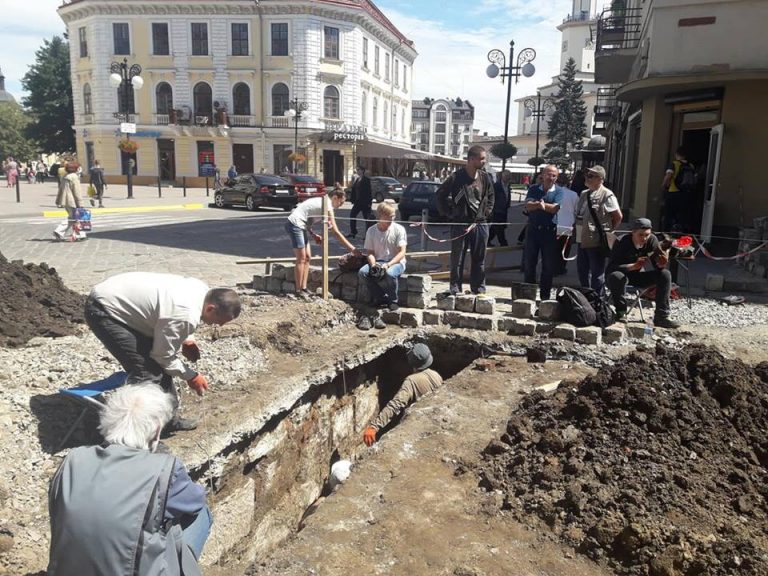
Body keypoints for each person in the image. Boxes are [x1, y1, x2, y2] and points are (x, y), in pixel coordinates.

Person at [48, 383, 211, 576]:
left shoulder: (71, 460)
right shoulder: (165, 470)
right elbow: (194, 502)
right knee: (202, 515)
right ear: (157, 431)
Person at [84, 272, 242, 431]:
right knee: (147, 374)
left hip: (120, 299)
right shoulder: (185, 314)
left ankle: (167, 421)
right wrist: (191, 376)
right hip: (106, 311)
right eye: (221, 320)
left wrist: (188, 339)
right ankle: (139, 434)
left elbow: (176, 317)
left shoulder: (203, 291)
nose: (220, 325)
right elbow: (162, 356)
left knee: (161, 370)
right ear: (211, 308)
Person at [436, 145, 494, 295]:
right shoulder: (456, 178)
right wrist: (449, 214)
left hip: (480, 224)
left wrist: (486, 212)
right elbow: (440, 195)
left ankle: (478, 289)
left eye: (484, 158)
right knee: (457, 259)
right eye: (481, 158)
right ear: (471, 159)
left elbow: (491, 197)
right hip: (460, 224)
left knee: (479, 259)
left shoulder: (485, 177)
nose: (484, 161)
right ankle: (455, 289)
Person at [362, 343, 443, 446]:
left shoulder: (411, 381)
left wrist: (374, 427)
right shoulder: (436, 375)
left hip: (419, 427)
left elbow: (396, 404)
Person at [606, 218, 680, 329]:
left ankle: (661, 316)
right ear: (633, 232)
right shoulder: (622, 242)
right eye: (641, 235)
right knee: (617, 276)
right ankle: (621, 312)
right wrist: (633, 266)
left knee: (665, 274)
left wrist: (661, 263)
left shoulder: (651, 241)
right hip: (619, 275)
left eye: (647, 235)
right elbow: (612, 267)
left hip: (638, 275)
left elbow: (657, 265)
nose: (644, 238)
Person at [285, 188, 359, 295]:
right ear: (335, 198)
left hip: (301, 225)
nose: (340, 206)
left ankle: (304, 288)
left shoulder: (324, 203)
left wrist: (313, 235)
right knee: (301, 258)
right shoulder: (327, 205)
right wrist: (352, 249)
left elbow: (308, 219)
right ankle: (298, 290)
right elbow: (335, 231)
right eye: (341, 202)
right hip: (295, 224)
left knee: (308, 257)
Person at [357, 202, 407, 329]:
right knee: (363, 273)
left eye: (393, 216)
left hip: (395, 262)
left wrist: (388, 265)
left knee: (390, 274)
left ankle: (393, 301)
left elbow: (402, 252)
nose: (392, 219)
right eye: (389, 216)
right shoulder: (371, 231)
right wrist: (373, 265)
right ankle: (379, 297)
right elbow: (370, 252)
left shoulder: (399, 229)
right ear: (381, 215)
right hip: (378, 261)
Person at [574, 165, 622, 292]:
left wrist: (608, 233)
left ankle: (598, 301)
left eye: (590, 176)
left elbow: (618, 216)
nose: (587, 178)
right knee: (582, 271)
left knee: (597, 274)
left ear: (600, 179)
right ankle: (586, 296)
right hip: (582, 238)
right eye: (586, 175)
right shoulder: (584, 193)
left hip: (596, 240)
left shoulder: (607, 195)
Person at [523, 165, 563, 301]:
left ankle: (544, 297)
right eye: (548, 174)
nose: (550, 178)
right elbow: (528, 206)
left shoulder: (559, 191)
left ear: (556, 177)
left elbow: (555, 209)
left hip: (549, 233)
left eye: (554, 175)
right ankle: (528, 296)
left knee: (548, 266)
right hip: (533, 230)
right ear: (542, 175)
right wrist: (541, 205)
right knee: (529, 263)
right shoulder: (534, 189)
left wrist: (540, 205)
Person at [661, 147, 695, 232]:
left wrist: (663, 186)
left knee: (668, 215)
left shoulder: (674, 164)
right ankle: (681, 235)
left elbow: (668, 176)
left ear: (676, 154)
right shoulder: (691, 166)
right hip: (685, 194)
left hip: (673, 192)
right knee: (682, 216)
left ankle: (666, 234)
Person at [53, 162, 86, 241]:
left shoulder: (65, 177)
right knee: (73, 217)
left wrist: (58, 200)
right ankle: (59, 231)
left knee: (74, 218)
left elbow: (60, 189)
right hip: (72, 201)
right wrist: (80, 203)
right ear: (75, 169)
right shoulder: (74, 177)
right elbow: (77, 191)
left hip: (65, 200)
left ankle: (80, 234)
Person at [555, 173, 579, 275]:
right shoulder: (573, 195)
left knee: (552, 249)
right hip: (568, 225)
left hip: (554, 225)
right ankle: (561, 268)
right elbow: (577, 211)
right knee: (564, 249)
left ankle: (552, 268)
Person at [347, 166, 373, 239]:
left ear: (362, 170)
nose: (357, 171)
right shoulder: (357, 179)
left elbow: (369, 192)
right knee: (352, 215)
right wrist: (352, 199)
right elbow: (354, 191)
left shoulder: (366, 180)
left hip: (365, 203)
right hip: (357, 202)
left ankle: (368, 235)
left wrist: (369, 203)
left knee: (366, 219)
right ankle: (353, 232)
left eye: (358, 170)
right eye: (356, 170)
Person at [488, 170, 511, 247]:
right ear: (502, 176)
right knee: (499, 227)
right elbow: (491, 198)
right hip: (497, 210)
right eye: (506, 176)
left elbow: (507, 196)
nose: (508, 178)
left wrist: (508, 204)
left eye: (509, 176)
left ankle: (486, 240)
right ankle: (503, 243)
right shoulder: (496, 186)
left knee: (496, 227)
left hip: (504, 210)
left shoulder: (508, 186)